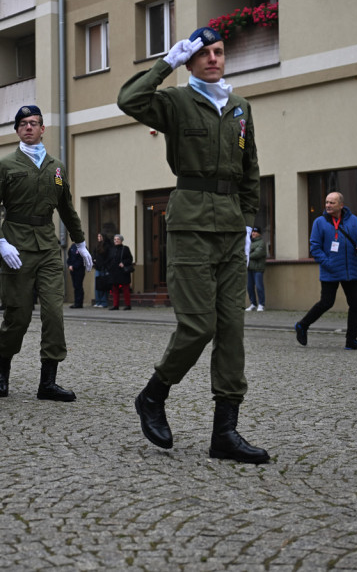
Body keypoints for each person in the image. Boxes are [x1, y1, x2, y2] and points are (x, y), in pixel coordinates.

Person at [118, 25, 270, 464]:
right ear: (190, 60)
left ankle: (225, 432)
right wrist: (166, 62)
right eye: (203, 53)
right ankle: (153, 395)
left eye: (219, 52)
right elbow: (130, 101)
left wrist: (247, 224)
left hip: (229, 228)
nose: (213, 59)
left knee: (232, 331)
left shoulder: (241, 108)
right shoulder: (176, 102)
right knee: (198, 326)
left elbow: (251, 168)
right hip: (189, 226)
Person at [0, 104, 92, 402]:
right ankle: (1, 368)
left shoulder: (56, 166)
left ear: (43, 129)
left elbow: (66, 207)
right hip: (16, 247)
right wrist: (0, 242)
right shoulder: (5, 165)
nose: (29, 127)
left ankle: (48, 382)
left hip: (47, 247)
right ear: (17, 130)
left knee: (55, 313)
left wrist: (80, 243)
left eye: (35, 123)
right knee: (18, 316)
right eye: (23, 123)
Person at [294, 191, 357, 351]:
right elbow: (314, 247)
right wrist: (328, 263)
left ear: (341, 205)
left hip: (351, 270)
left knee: (355, 304)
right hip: (331, 270)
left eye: (332, 203)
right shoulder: (320, 222)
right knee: (327, 302)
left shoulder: (354, 220)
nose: (328, 205)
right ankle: (302, 325)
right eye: (327, 202)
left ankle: (351, 340)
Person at [106, 233, 134, 310]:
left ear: (121, 240)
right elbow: (108, 259)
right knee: (114, 289)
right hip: (114, 272)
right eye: (115, 239)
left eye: (118, 239)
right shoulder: (111, 249)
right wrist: (109, 267)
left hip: (122, 272)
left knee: (125, 289)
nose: (116, 241)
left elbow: (130, 259)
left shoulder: (125, 248)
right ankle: (115, 305)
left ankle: (128, 305)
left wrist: (124, 263)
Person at [246, 227, 266, 312]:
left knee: (259, 287)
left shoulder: (261, 243)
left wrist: (248, 255)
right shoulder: (249, 242)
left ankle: (261, 304)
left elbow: (258, 253)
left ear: (259, 234)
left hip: (258, 268)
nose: (253, 233)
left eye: (255, 232)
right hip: (249, 268)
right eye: (252, 232)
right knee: (249, 287)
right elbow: (246, 251)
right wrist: (250, 252)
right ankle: (253, 304)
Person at [92, 232, 110, 307]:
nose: (98, 237)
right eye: (98, 236)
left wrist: (103, 264)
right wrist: (94, 260)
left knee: (104, 285)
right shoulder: (97, 246)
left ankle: (104, 301)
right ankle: (98, 301)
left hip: (104, 268)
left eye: (100, 236)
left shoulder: (107, 246)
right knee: (98, 285)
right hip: (98, 267)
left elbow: (108, 257)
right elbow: (93, 254)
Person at [66, 241, 86, 309]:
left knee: (78, 286)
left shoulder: (83, 247)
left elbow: (82, 259)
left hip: (79, 270)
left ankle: (79, 303)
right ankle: (76, 302)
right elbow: (69, 257)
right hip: (73, 270)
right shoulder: (72, 247)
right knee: (75, 286)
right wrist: (69, 265)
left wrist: (74, 266)